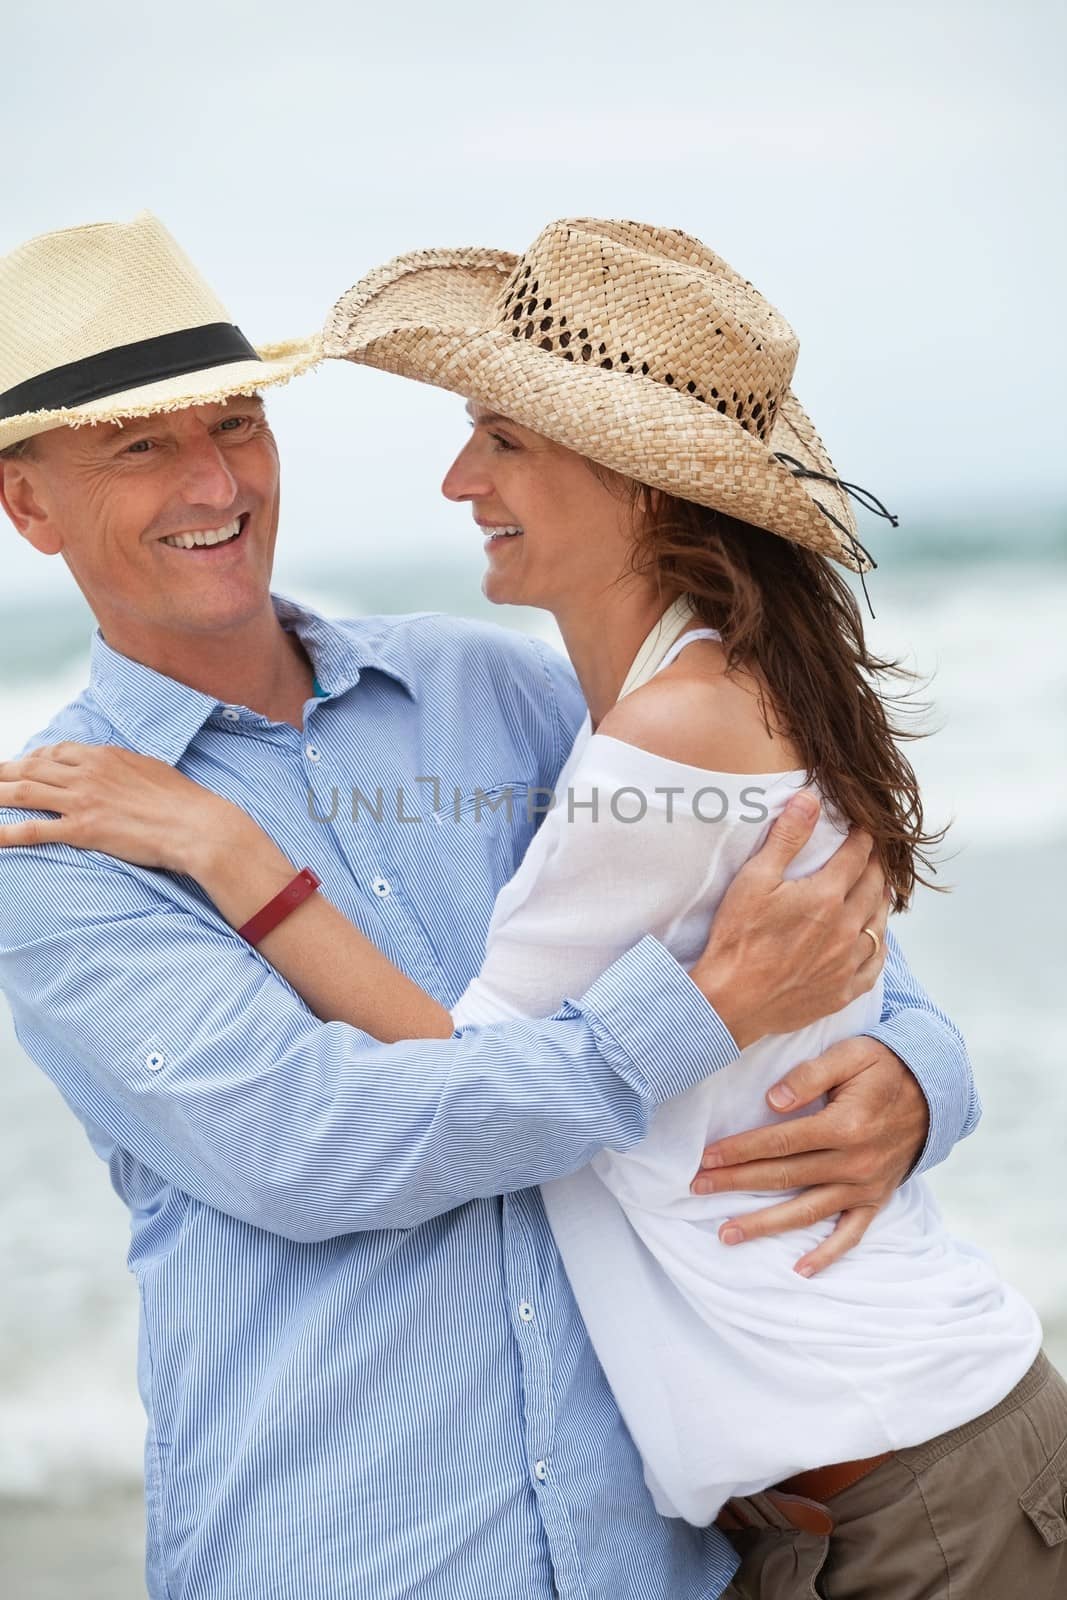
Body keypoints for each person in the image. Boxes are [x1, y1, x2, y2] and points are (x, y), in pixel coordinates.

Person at [0, 212, 989, 1600]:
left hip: (671, 1559)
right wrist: (691, 1020)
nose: (215, 478)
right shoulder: (58, 845)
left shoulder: (505, 691)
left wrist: (916, 1075)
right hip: (358, 1562)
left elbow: (811, 932)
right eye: (140, 446)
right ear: (29, 506)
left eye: (237, 423)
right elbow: (328, 1148)